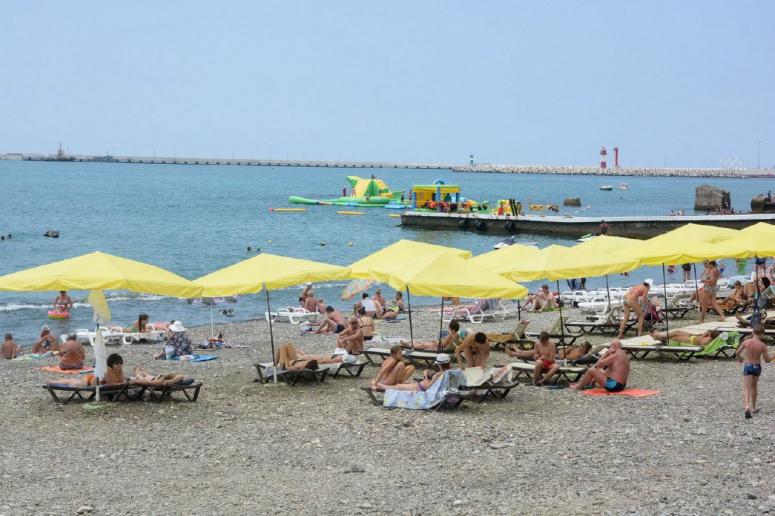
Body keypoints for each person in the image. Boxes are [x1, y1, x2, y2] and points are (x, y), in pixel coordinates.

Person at [735, 325, 773, 418]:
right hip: (756, 367)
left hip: (748, 365)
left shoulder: (746, 342)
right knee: (754, 386)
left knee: (747, 387)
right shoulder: (762, 345)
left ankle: (747, 406)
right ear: (762, 334)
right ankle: (754, 407)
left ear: (753, 332)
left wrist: (740, 358)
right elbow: (767, 360)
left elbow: (737, 353)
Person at [378, 353, 451, 391]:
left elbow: (428, 387)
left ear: (439, 364)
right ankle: (383, 386)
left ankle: (383, 387)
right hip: (422, 386)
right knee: (399, 386)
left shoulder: (438, 374)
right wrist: (431, 375)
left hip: (421, 387)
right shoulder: (449, 372)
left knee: (399, 387)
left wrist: (426, 375)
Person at [650, 329, 720, 347]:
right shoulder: (709, 337)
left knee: (674, 338)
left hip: (690, 340)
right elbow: (699, 337)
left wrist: (704, 335)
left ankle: (658, 337)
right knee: (677, 332)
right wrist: (705, 334)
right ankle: (659, 335)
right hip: (692, 336)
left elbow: (700, 343)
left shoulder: (708, 340)